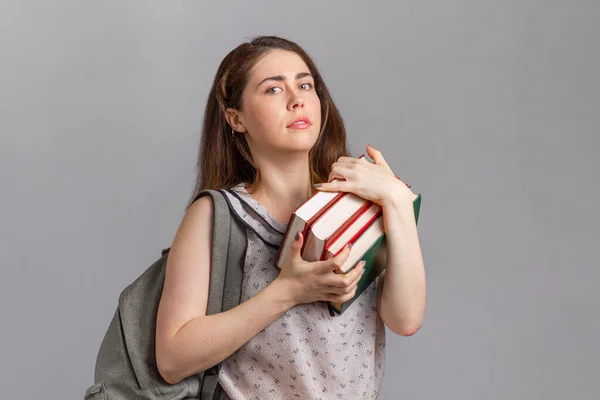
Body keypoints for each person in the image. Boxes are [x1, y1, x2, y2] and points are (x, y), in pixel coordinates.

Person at [154, 35, 426, 400]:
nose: (297, 99)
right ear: (236, 119)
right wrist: (288, 292)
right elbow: (172, 358)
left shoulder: (355, 201)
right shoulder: (218, 215)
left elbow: (405, 319)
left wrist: (396, 199)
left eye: (305, 84)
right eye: (272, 90)